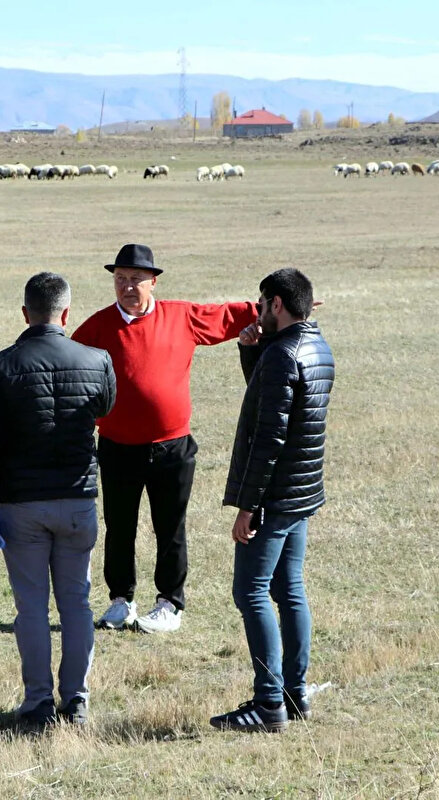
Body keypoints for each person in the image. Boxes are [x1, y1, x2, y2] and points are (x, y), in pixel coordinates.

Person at [71, 243, 256, 634]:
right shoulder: (97, 327)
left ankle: (170, 603)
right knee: (119, 526)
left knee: (170, 527)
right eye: (121, 279)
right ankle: (120, 600)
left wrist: (277, 311)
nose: (127, 287)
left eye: (136, 279)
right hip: (117, 446)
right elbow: (69, 366)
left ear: (153, 282)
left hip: (172, 447)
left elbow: (227, 316)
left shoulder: (180, 316)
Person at [0, 272, 116, 726]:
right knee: (77, 603)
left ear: (24, 313)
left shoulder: (2, 366)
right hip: (77, 498)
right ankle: (76, 698)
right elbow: (104, 408)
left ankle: (37, 701)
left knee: (31, 606)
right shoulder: (97, 360)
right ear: (66, 314)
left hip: (23, 501)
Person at [211, 268, 335, 733]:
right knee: (289, 591)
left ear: (277, 304)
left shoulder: (284, 355)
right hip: (301, 492)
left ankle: (268, 704)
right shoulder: (315, 346)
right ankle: (294, 694)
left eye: (262, 303)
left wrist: (248, 506)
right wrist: (252, 351)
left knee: (251, 592)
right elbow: (269, 400)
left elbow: (269, 437)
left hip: (275, 496)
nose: (257, 310)